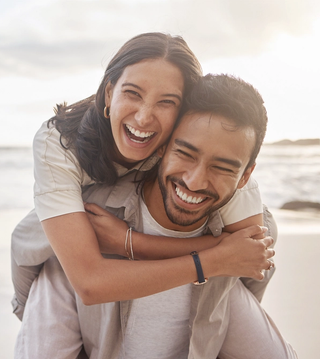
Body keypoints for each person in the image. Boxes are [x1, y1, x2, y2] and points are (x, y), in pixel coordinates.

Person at [14, 74, 298, 359]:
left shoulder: (237, 244)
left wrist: (132, 243)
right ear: (161, 146)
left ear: (245, 176)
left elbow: (255, 266)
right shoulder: (86, 224)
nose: (196, 181)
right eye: (185, 153)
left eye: (222, 168)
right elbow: (25, 250)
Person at [12, 33, 269, 318]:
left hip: (128, 228)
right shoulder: (58, 142)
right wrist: (210, 261)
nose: (144, 118)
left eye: (167, 102)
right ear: (109, 94)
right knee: (35, 241)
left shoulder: (203, 153)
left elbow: (251, 248)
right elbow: (89, 282)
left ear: (184, 111)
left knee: (266, 223)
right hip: (58, 238)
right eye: (133, 93)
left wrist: (132, 242)